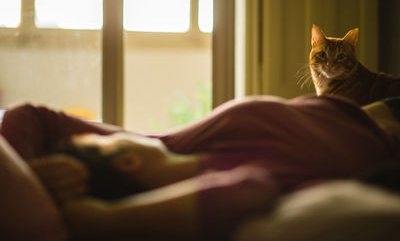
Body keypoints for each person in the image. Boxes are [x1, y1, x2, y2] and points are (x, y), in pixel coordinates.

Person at [1, 95, 400, 240]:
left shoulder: (166, 144)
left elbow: (31, 116)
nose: (105, 131)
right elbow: (251, 189)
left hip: (368, 109)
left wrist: (32, 171)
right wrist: (103, 220)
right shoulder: (222, 178)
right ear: (126, 160)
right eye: (98, 140)